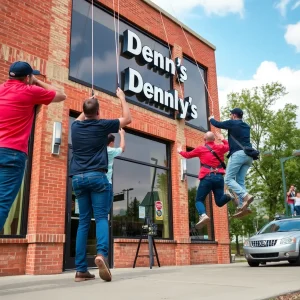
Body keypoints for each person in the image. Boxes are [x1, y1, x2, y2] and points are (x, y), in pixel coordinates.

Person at [70, 88, 131, 282]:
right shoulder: (102, 125)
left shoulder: (75, 127)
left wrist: (89, 100)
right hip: (97, 178)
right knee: (102, 218)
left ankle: (80, 270)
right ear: (98, 113)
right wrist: (122, 98)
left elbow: (82, 117)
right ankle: (101, 255)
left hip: (78, 179)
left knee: (83, 222)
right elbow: (127, 119)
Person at [0, 61, 66, 232]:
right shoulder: (29, 91)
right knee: (2, 203)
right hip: (12, 154)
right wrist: (37, 81)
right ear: (28, 77)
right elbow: (61, 95)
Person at [178, 132, 237, 229]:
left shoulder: (200, 149)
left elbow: (187, 155)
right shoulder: (220, 148)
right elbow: (229, 146)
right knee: (219, 202)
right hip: (219, 177)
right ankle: (228, 195)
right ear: (214, 139)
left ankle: (203, 215)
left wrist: (180, 151)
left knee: (199, 200)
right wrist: (222, 138)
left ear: (204, 139)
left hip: (207, 177)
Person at [209, 108, 254, 218]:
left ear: (234, 115)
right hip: (249, 156)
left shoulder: (233, 123)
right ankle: (242, 205)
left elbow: (217, 124)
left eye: (230, 114)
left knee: (228, 179)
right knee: (239, 181)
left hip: (238, 155)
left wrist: (211, 119)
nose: (230, 116)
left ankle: (245, 196)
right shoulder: (246, 126)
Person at [107, 129, 126, 208]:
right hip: (106, 183)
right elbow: (122, 148)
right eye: (114, 143)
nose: (114, 144)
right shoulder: (110, 151)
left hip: (95, 181)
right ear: (111, 143)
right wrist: (122, 134)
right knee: (105, 210)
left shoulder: (98, 149)